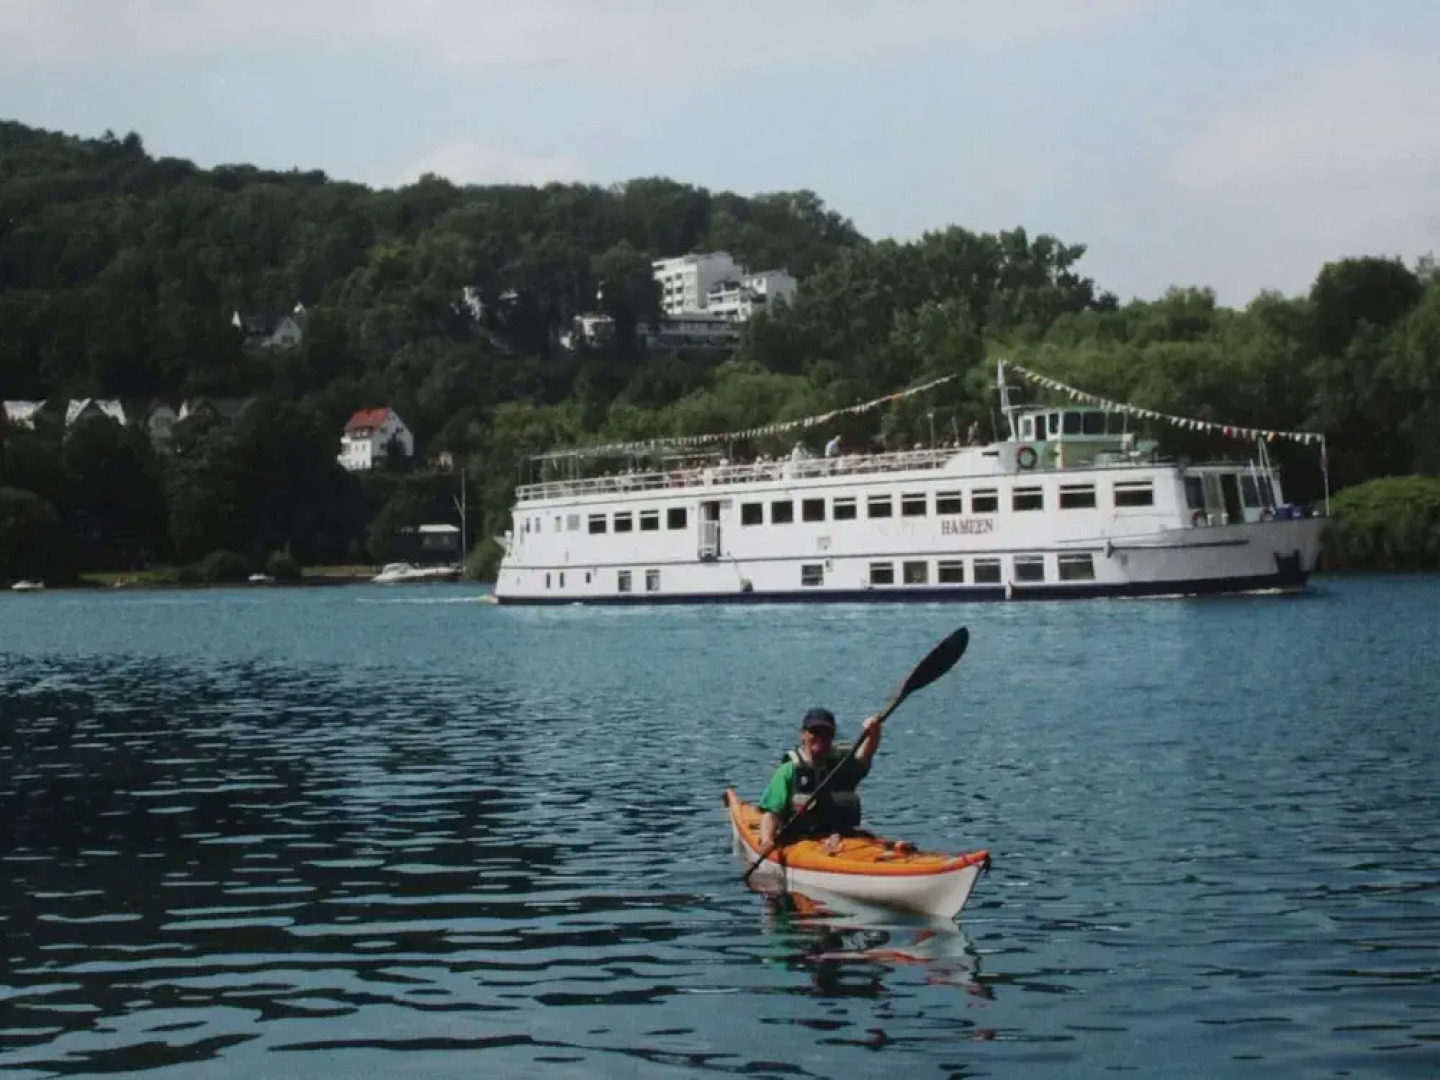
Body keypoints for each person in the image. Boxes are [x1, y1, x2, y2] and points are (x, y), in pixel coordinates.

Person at [757, 707, 882, 855]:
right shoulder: (788, 771)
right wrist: (767, 840)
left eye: (826, 733)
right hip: (801, 842)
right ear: (803, 734)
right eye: (814, 732)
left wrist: (874, 732)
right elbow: (771, 814)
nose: (820, 738)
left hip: (843, 839)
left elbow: (866, 754)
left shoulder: (841, 764)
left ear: (833, 735)